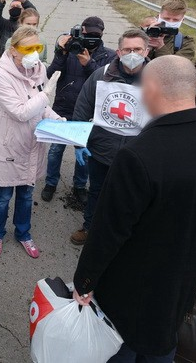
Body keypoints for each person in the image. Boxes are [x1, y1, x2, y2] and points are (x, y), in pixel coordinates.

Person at [73, 56, 196, 362]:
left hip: (129, 285)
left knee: (119, 349)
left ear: (150, 89)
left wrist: (85, 281)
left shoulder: (138, 155)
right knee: (163, 345)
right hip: (184, 277)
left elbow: (109, 231)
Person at [0, 26, 60, 259]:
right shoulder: (1, 75)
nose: (34, 53)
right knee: (4, 196)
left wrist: (58, 121)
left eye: (38, 47)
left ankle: (23, 233)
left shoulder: (39, 69)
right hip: (8, 145)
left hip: (32, 142)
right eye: (28, 48)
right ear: (13, 50)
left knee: (27, 195)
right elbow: (20, 112)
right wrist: (45, 94)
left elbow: (42, 107)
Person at [70, 29, 151, 246]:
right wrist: (79, 142)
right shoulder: (101, 74)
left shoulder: (157, 78)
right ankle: (90, 228)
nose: (132, 53)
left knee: (131, 197)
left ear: (146, 51)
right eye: (127, 49)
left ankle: (124, 235)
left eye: (137, 49)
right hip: (102, 149)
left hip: (138, 154)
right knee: (97, 191)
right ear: (118, 51)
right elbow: (83, 106)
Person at [43, 17, 115, 202]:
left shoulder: (109, 56)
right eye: (87, 34)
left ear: (101, 34)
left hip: (88, 112)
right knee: (55, 150)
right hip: (63, 107)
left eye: (94, 35)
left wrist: (89, 64)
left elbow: (107, 84)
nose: (90, 38)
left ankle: (80, 186)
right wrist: (61, 53)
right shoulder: (70, 51)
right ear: (81, 32)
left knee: (84, 153)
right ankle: (51, 183)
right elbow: (51, 75)